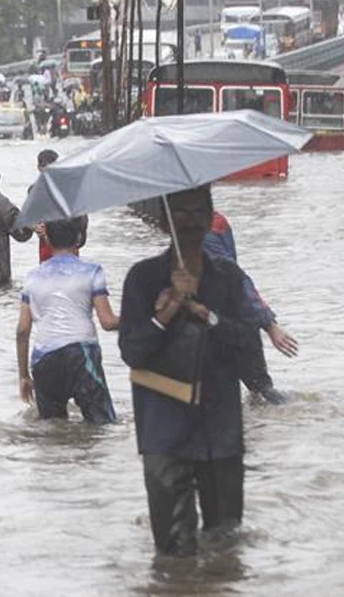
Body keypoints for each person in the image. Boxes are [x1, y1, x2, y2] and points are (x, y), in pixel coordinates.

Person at [118, 185, 260, 557]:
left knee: (225, 548)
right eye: (180, 212)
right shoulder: (143, 278)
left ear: (211, 218)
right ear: (165, 222)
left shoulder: (227, 277)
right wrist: (166, 313)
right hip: (164, 434)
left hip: (220, 431)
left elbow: (248, 343)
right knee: (172, 555)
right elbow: (131, 352)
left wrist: (207, 316)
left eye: (199, 212)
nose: (190, 221)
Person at [16, 218, 119, 424]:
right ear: (79, 238)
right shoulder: (92, 271)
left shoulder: (32, 277)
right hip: (81, 354)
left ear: (47, 239)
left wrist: (24, 376)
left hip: (44, 360)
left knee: (52, 428)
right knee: (102, 424)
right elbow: (108, 322)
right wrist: (143, 317)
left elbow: (22, 330)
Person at [205, 211, 298, 404]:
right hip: (231, 318)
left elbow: (237, 279)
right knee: (258, 394)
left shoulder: (204, 235)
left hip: (228, 321)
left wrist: (269, 325)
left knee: (262, 394)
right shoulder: (215, 220)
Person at [32, 149, 88, 263]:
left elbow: (82, 217)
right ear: (39, 167)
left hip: (69, 243)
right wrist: (34, 227)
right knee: (47, 271)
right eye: (45, 167)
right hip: (46, 246)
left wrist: (80, 236)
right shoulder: (34, 191)